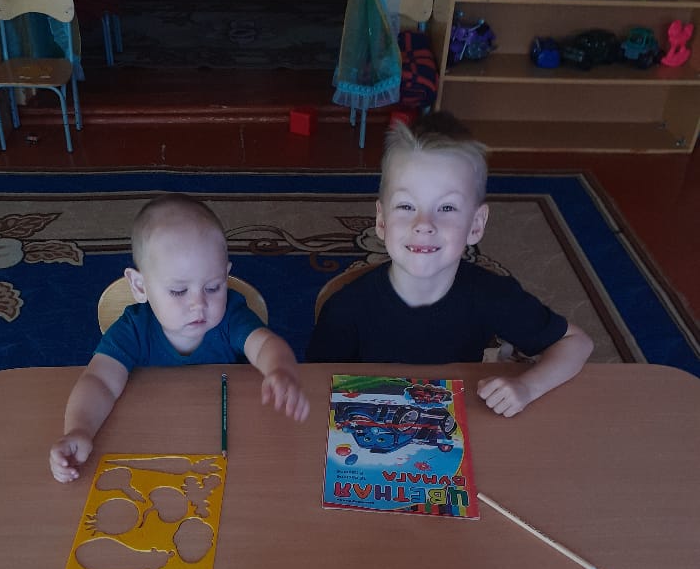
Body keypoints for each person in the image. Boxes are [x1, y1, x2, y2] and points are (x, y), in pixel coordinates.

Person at [306, 121, 592, 417]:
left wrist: (527, 387)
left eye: (446, 208)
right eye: (406, 206)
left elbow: (576, 343)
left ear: (476, 225)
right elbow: (314, 385)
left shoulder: (492, 294)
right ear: (381, 221)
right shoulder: (345, 309)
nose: (424, 224)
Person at [50, 194, 309, 482]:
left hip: (227, 442)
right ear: (140, 286)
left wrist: (280, 369)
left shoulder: (231, 316)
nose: (199, 304)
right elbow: (99, 381)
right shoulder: (134, 329)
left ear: (225, 275)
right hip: (155, 441)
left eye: (213, 287)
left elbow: (265, 344)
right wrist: (79, 429)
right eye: (178, 291)